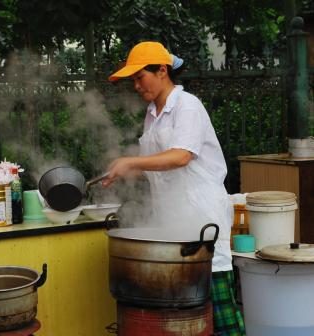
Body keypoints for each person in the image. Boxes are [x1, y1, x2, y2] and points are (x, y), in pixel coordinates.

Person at [103, 41, 245, 335]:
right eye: (133, 80)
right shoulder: (152, 114)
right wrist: (124, 172)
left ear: (162, 71)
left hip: (201, 219)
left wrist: (131, 162)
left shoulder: (188, 106)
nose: (136, 86)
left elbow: (181, 156)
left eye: (140, 77)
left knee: (219, 313)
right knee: (183, 315)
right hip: (171, 224)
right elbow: (154, 166)